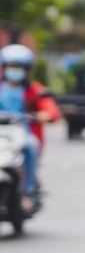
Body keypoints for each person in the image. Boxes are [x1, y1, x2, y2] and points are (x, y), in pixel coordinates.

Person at [0, 43, 61, 212]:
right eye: (11, 66)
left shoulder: (34, 90)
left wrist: (44, 115)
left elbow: (51, 110)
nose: (14, 70)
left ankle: (27, 191)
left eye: (19, 67)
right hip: (1, 135)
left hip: (21, 134)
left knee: (30, 146)